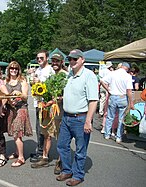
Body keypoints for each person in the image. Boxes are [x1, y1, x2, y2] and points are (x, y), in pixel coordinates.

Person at [57, 49, 98, 186]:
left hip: (81, 118)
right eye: (70, 59)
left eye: (75, 59)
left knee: (80, 149)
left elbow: (93, 100)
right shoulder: (69, 75)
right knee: (62, 145)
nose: (72, 61)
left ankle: (78, 175)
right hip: (66, 117)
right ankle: (67, 170)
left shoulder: (89, 76)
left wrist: (88, 121)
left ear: (82, 60)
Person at [31, 53, 68, 173]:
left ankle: (60, 161)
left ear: (62, 62)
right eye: (53, 61)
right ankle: (45, 157)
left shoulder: (65, 76)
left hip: (59, 111)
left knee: (61, 137)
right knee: (46, 134)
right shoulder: (52, 75)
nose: (55, 63)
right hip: (48, 110)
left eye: (57, 61)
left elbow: (65, 95)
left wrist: (54, 100)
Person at [5, 61, 33, 167]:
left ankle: (21, 158)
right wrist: (8, 101)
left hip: (21, 109)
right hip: (11, 109)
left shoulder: (22, 81)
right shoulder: (6, 81)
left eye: (16, 68)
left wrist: (19, 94)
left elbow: (25, 96)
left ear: (18, 70)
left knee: (17, 133)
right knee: (14, 132)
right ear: (8, 69)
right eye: (11, 68)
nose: (13, 70)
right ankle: (17, 152)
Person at [30, 50, 55, 163]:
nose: (39, 60)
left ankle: (42, 153)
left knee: (44, 129)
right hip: (38, 103)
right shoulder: (38, 70)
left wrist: (40, 82)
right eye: (38, 58)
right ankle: (40, 150)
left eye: (41, 58)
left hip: (46, 104)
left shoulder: (50, 71)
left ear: (47, 58)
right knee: (38, 128)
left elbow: (51, 89)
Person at [100, 62, 134, 143]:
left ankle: (107, 134)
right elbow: (129, 91)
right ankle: (118, 136)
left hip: (113, 96)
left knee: (110, 116)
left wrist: (108, 89)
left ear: (121, 66)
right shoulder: (128, 76)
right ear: (127, 69)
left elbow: (102, 81)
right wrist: (131, 102)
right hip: (122, 97)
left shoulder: (113, 73)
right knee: (121, 118)